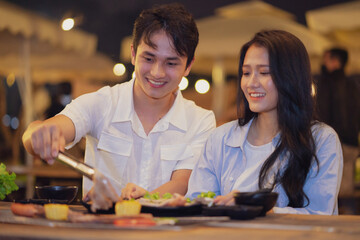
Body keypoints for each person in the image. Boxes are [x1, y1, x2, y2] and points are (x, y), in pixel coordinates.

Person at [22, 3, 216, 211]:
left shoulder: (201, 120)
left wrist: (145, 198)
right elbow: (36, 135)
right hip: (102, 229)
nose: (157, 73)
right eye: (148, 58)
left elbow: (183, 182)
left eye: (171, 63)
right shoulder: (103, 103)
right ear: (133, 54)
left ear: (188, 66)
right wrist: (38, 133)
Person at [186, 30, 343, 215]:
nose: (251, 83)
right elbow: (197, 205)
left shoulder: (321, 140)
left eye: (264, 72)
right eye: (246, 72)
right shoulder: (220, 138)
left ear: (291, 77)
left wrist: (259, 209)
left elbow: (320, 215)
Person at [315, 48, 360, 198]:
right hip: (351, 143)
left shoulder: (325, 84)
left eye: (326, 59)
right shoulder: (352, 85)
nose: (323, 62)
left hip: (330, 141)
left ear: (335, 61)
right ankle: (351, 219)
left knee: (327, 190)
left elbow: (322, 112)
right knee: (346, 191)